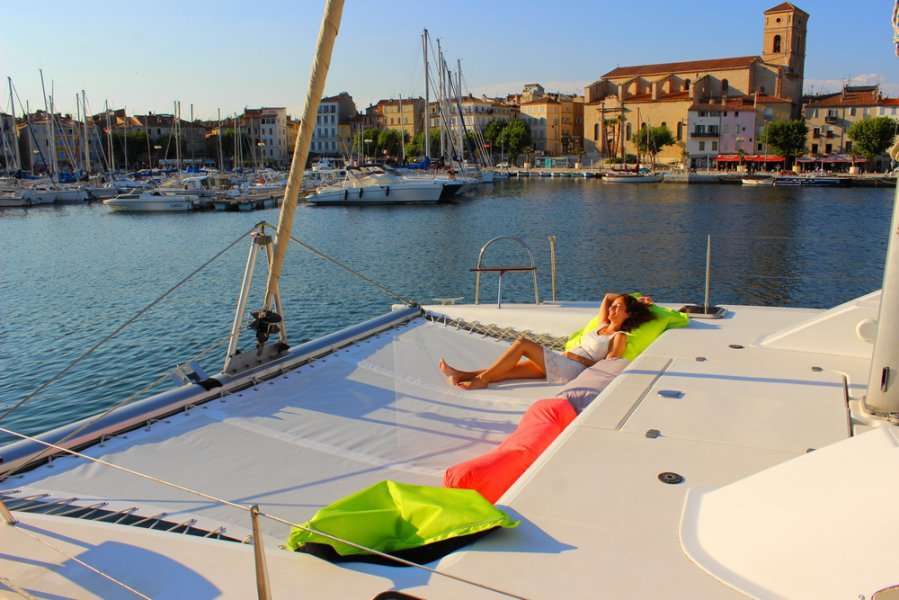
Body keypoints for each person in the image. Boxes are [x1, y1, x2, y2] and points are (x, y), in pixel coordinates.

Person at [440, 293, 654, 390]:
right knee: (508, 370)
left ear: (628, 314)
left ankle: (481, 380)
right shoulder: (601, 325)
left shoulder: (619, 337)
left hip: (575, 369)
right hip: (566, 361)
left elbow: (608, 367)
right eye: (613, 307)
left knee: (523, 343)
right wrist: (638, 300)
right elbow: (607, 296)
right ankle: (463, 374)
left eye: (618, 307)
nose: (612, 309)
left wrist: (577, 358)